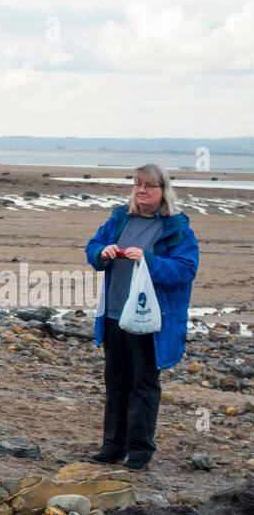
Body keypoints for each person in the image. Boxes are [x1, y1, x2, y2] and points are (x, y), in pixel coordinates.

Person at [84, 164, 199, 471]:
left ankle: (139, 451)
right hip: (113, 315)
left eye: (149, 186)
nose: (141, 191)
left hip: (148, 319)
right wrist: (102, 253)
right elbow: (92, 247)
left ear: (163, 191)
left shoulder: (176, 228)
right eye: (137, 185)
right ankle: (112, 447)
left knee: (143, 385)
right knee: (116, 383)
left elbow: (185, 271)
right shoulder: (120, 218)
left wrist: (149, 261)